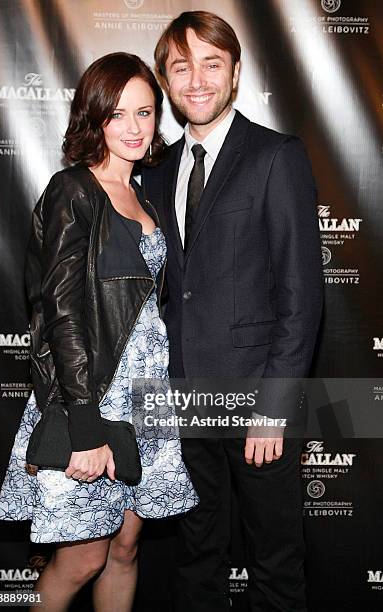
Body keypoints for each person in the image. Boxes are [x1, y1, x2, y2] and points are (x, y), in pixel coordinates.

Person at [0, 52, 198, 612]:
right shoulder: (74, 190)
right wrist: (83, 424)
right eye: (118, 115)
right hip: (93, 392)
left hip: (147, 399)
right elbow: (58, 311)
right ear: (94, 118)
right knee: (83, 557)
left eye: (146, 112)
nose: (135, 128)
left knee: (127, 548)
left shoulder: (146, 195)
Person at [143, 11, 323, 612]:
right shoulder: (157, 169)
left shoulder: (277, 156)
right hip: (182, 401)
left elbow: (301, 297)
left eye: (211, 64)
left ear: (236, 72)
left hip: (256, 404)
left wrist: (274, 409)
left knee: (275, 562)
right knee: (196, 559)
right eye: (181, 66)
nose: (196, 80)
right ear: (166, 81)